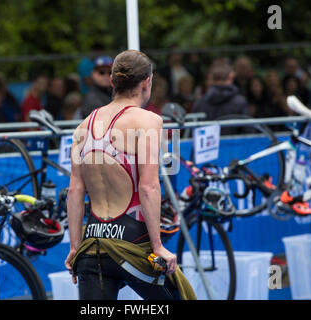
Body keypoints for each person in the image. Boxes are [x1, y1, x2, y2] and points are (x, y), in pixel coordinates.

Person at [64, 50, 195, 300]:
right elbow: (148, 187)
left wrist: (74, 246)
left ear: (112, 82)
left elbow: (75, 191)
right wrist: (158, 246)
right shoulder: (147, 121)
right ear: (147, 82)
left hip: (92, 245)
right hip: (133, 241)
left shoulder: (84, 126)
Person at [192, 62, 250, 135]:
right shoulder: (240, 102)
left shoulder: (199, 103)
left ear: (210, 77)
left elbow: (192, 134)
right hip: (235, 145)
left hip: (207, 145)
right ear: (231, 76)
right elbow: (249, 132)